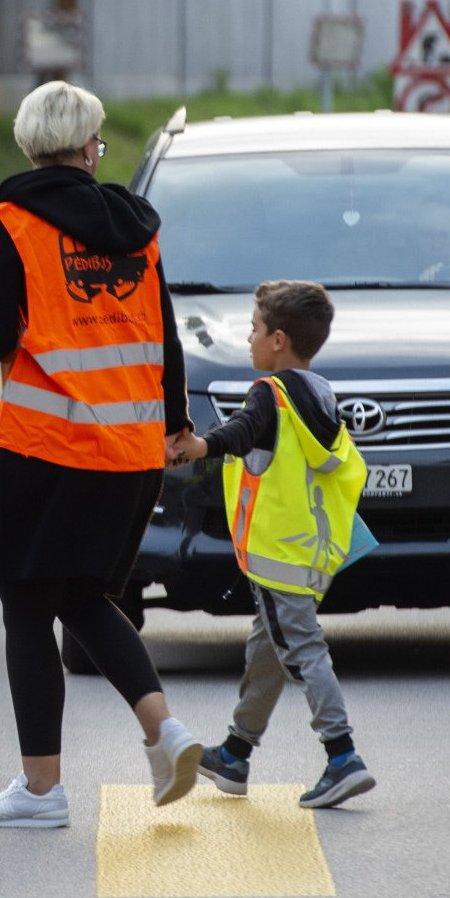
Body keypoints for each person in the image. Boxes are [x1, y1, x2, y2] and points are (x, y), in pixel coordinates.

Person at [0, 80, 205, 828]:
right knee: (81, 596)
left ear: (30, 146)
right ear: (89, 147)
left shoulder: (11, 224)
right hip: (129, 453)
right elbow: (163, 339)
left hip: (44, 445)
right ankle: (165, 729)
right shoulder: (140, 231)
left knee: (29, 608)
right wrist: (177, 427)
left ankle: (42, 791)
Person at [167, 281, 377, 809]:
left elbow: (242, 431)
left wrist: (198, 447)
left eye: (255, 329)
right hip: (303, 551)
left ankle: (342, 755)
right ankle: (235, 755)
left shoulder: (271, 393)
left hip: (278, 554)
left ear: (278, 340)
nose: (249, 337)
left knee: (303, 650)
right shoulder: (319, 392)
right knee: (267, 650)